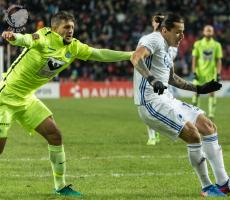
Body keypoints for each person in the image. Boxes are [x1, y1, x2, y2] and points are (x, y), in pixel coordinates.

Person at [0, 11, 132, 196]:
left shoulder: (74, 47)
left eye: (72, 27)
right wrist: (13, 36)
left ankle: (60, 186)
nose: (70, 31)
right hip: (5, 98)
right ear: (55, 29)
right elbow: (28, 39)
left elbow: (99, 54)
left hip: (26, 98)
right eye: (66, 27)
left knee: (55, 135)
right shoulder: (45, 37)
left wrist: (130, 55)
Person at [131, 13, 229, 197]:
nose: (182, 36)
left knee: (207, 126)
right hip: (150, 102)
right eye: (178, 32)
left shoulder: (167, 48)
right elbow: (136, 58)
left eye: (183, 32)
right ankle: (207, 187)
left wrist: (199, 88)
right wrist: (151, 79)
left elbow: (171, 78)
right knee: (193, 134)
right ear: (165, 30)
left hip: (166, 98)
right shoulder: (153, 39)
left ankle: (224, 183)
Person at [146, 13, 178, 145]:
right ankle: (152, 136)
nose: (158, 22)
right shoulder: (149, 39)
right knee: (148, 108)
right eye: (156, 20)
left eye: (161, 20)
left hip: (163, 79)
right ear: (153, 23)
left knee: (164, 107)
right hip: (150, 79)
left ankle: (160, 130)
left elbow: (170, 59)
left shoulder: (170, 41)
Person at [191, 25, 222, 120]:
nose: (208, 32)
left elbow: (218, 60)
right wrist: (194, 71)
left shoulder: (216, 45)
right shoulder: (198, 44)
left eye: (210, 31)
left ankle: (211, 114)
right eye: (207, 30)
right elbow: (194, 59)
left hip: (211, 73)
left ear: (212, 33)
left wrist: (218, 73)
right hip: (200, 73)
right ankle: (195, 112)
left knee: (212, 93)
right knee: (196, 93)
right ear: (203, 32)